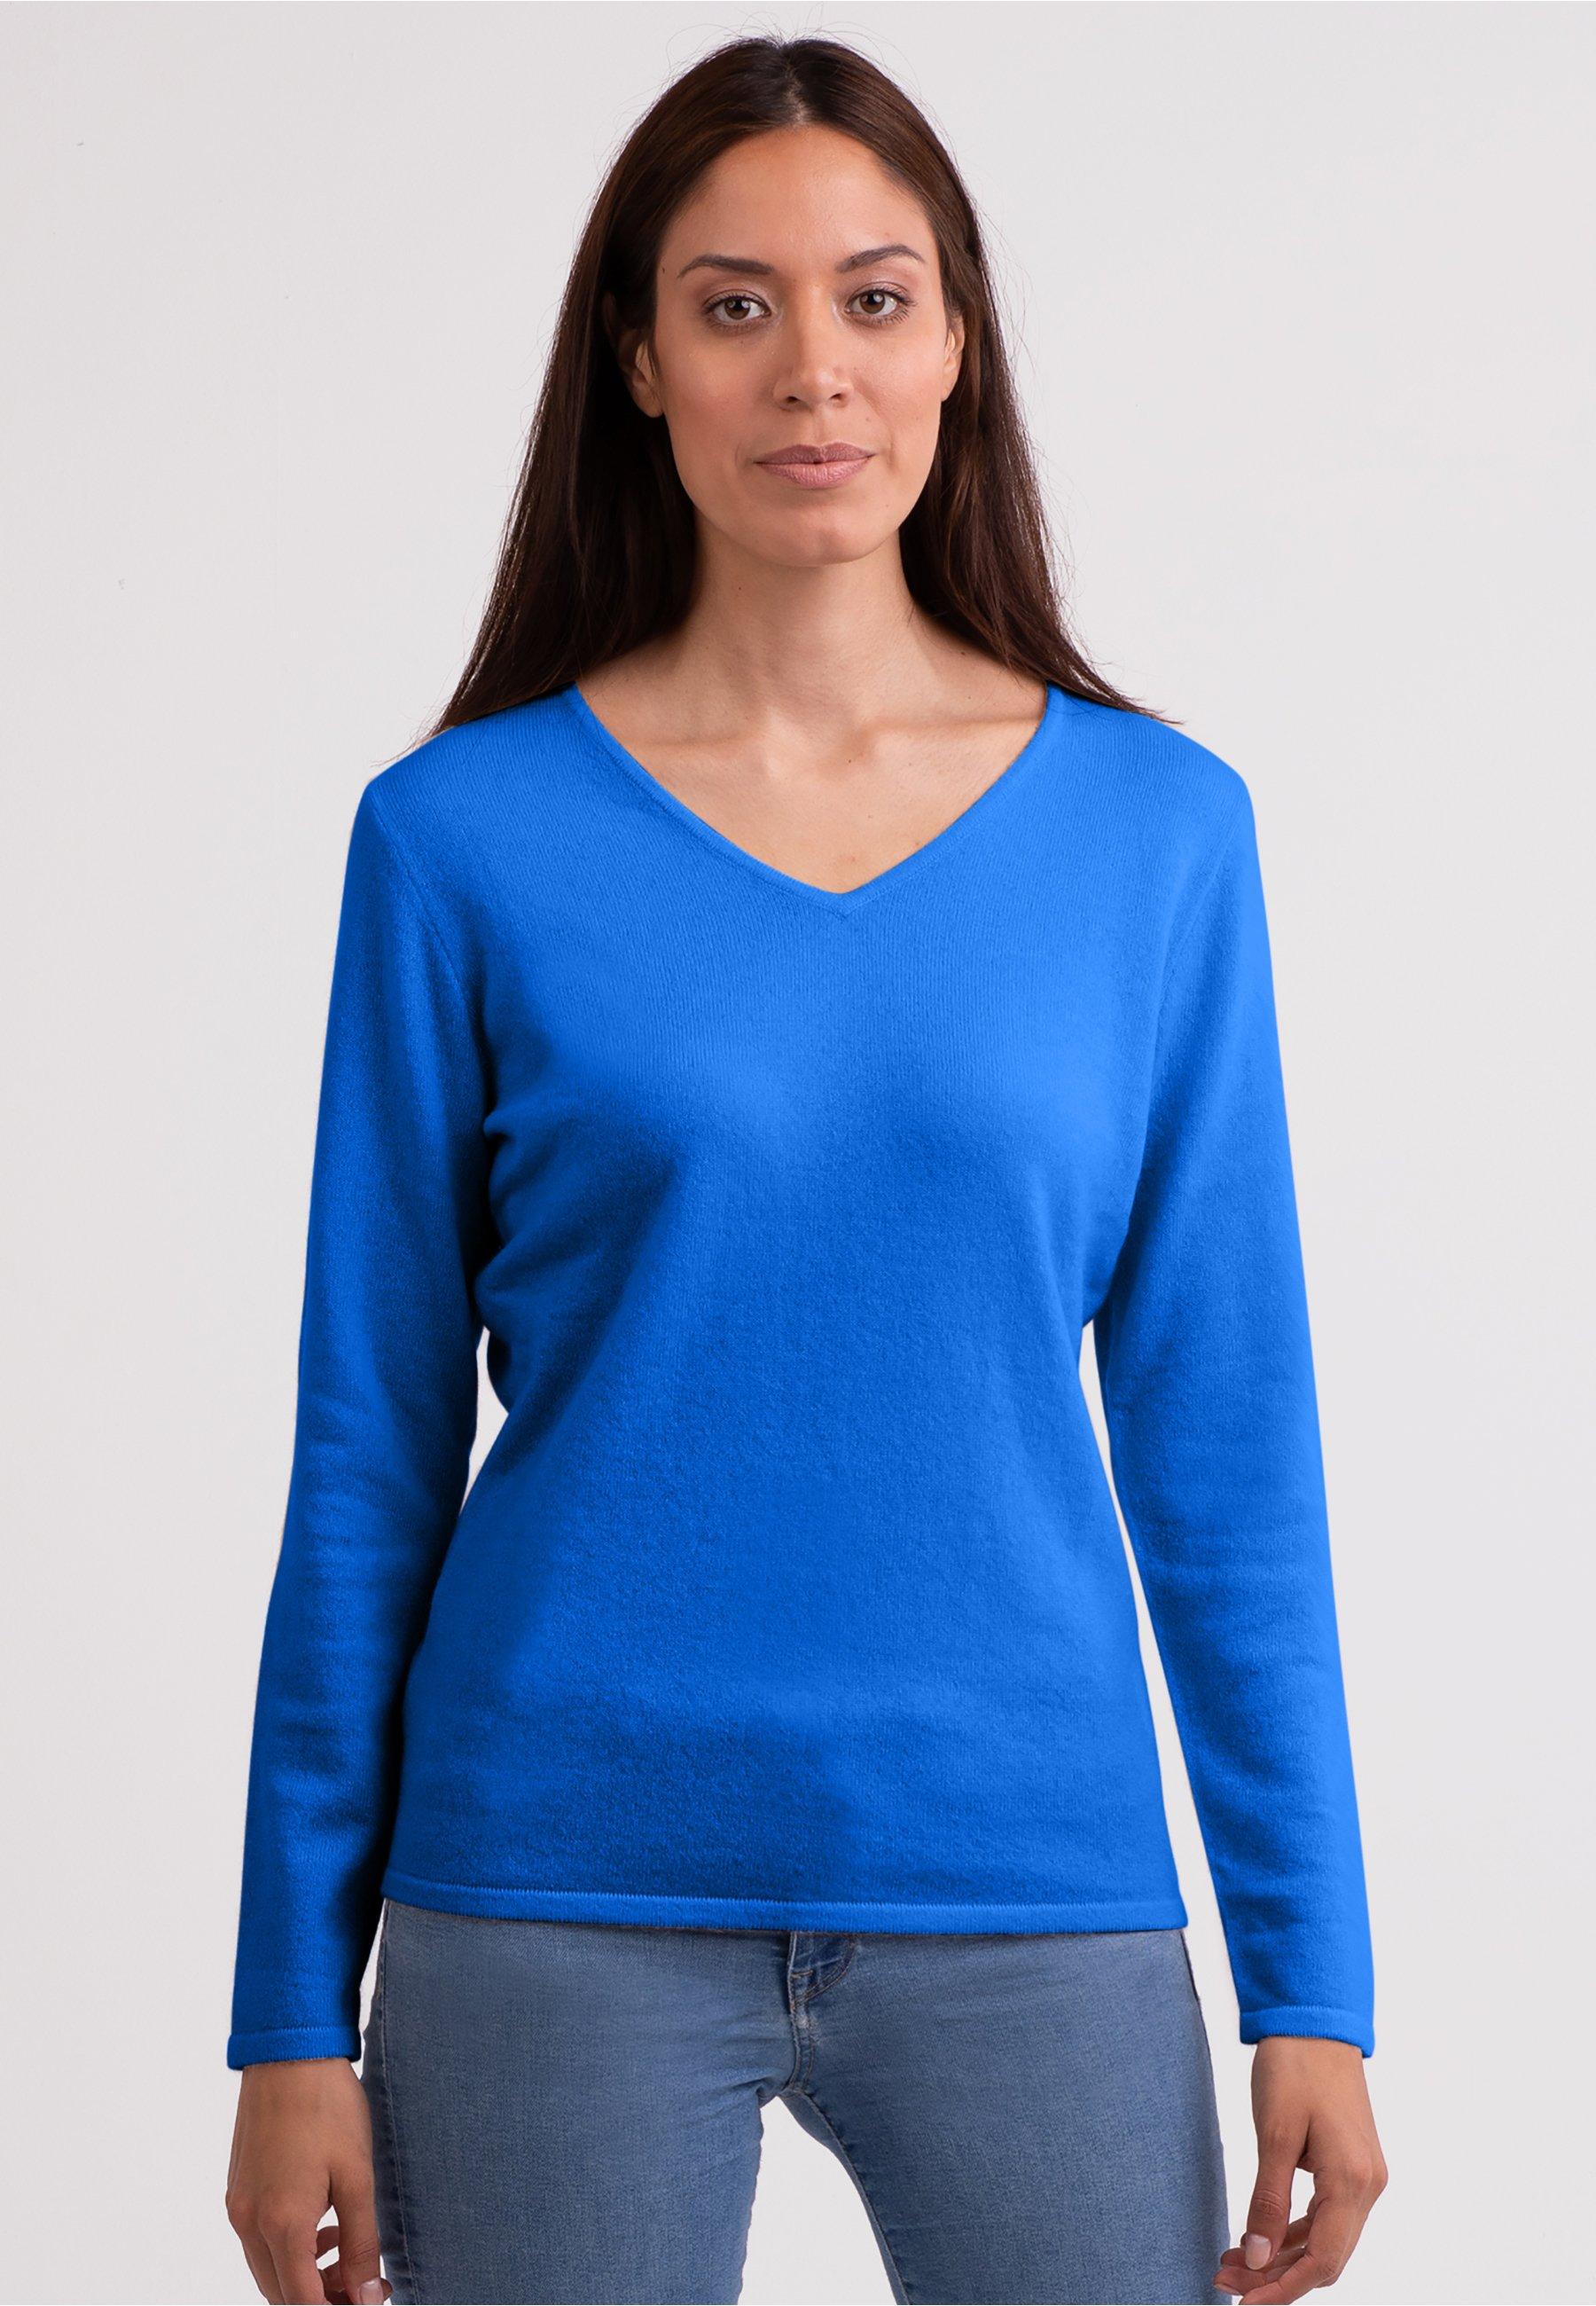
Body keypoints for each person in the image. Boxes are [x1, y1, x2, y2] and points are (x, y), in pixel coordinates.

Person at [223, 34, 1388, 2306]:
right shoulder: (459, 839)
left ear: (957, 343)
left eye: (874, 297)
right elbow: (367, 1453)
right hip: (548, 1886)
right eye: (734, 305)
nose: (813, 370)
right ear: (638, 361)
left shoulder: (1159, 835)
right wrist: (287, 2013)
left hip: (1027, 1878)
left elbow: (1227, 1448)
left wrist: (1310, 1981)